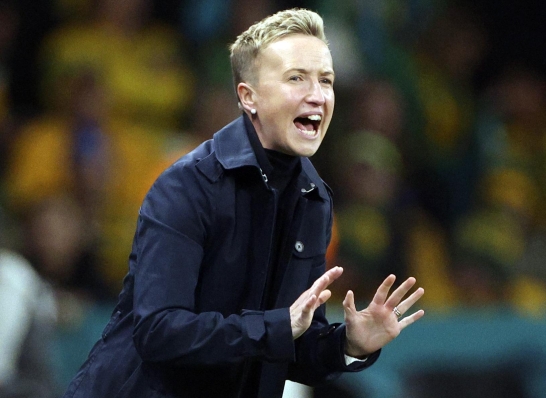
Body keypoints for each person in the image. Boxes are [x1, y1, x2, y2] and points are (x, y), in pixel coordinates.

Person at [62, 8, 424, 398]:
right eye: (296, 79)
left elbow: (288, 346)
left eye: (326, 81)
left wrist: (347, 345)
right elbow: (158, 332)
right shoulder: (186, 186)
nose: (317, 96)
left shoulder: (313, 199)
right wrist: (275, 329)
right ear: (248, 96)